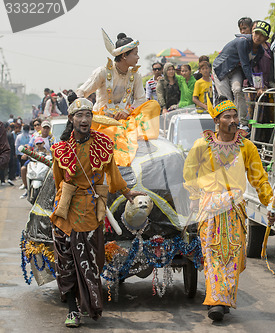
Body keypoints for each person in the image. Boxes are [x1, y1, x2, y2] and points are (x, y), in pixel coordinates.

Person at [183, 97, 275, 321]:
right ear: (217, 121)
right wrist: (195, 196)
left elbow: (259, 179)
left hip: (235, 209)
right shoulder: (202, 145)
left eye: (235, 116)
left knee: (233, 254)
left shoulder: (247, 146)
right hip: (210, 208)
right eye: (228, 116)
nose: (233, 120)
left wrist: (270, 202)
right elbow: (189, 173)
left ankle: (224, 299)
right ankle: (216, 301)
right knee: (213, 253)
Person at [50, 98, 143, 327]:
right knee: (67, 264)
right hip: (65, 212)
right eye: (79, 116)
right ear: (71, 119)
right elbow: (58, 180)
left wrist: (126, 192)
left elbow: (113, 173)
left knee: (91, 263)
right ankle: (71, 310)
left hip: (91, 211)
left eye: (88, 115)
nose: (84, 120)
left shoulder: (102, 143)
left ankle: (87, 306)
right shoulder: (60, 149)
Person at [76, 31, 161, 167]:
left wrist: (127, 112)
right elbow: (83, 91)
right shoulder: (103, 72)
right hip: (102, 119)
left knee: (154, 105)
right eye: (135, 53)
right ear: (124, 55)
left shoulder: (136, 75)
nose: (138, 57)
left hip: (125, 118)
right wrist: (77, 102)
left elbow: (141, 100)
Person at [212, 21, 271, 127]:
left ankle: (242, 122)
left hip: (236, 70)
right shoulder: (243, 42)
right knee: (226, 99)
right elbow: (245, 65)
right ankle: (225, 125)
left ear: (266, 39)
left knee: (238, 90)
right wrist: (256, 86)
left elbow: (253, 69)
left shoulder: (261, 51)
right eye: (256, 33)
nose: (258, 37)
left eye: (262, 35)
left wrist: (260, 86)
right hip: (221, 69)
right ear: (252, 32)